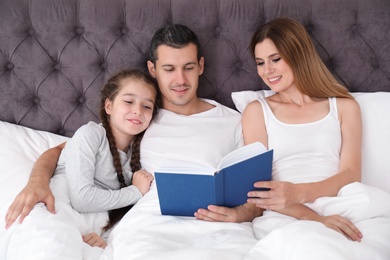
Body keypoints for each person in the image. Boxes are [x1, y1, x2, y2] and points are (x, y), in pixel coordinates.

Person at [5, 24, 262, 231]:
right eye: (169, 69)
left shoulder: (232, 120)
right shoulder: (139, 118)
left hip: (215, 225)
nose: (180, 80)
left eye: (189, 68)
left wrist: (240, 214)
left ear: (201, 66)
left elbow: (257, 187)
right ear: (153, 69)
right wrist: (37, 182)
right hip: (149, 225)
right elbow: (62, 151)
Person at [7, 69, 159, 249]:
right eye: (128, 101)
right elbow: (82, 198)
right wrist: (135, 192)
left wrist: (107, 237)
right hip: (57, 208)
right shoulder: (90, 135)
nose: (138, 111)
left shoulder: (140, 156)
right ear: (109, 106)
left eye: (147, 106)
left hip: (91, 227)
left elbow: (120, 210)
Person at [242, 18, 363, 241]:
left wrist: (299, 192)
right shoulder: (257, 112)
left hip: (341, 204)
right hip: (286, 213)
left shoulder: (345, 106)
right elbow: (261, 190)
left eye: (275, 59)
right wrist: (314, 219)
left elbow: (351, 173)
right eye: (260, 62)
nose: (267, 71)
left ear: (298, 54)